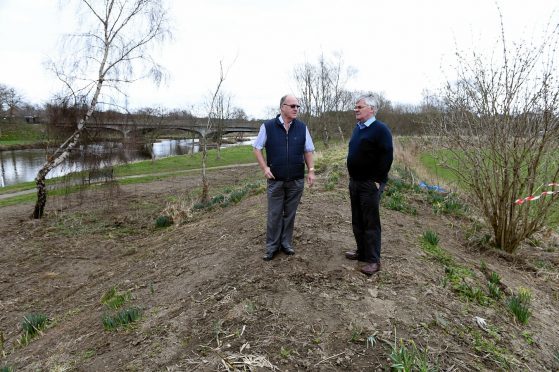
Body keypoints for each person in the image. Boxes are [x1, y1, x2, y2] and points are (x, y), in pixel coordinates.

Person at [253, 95, 316, 261]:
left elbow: (308, 150)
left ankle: (286, 243)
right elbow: (257, 148)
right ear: (282, 107)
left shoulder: (302, 128)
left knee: (290, 213)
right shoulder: (268, 127)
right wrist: (265, 167)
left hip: (296, 179)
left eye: (298, 106)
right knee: (274, 214)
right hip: (276, 179)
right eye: (293, 106)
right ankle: (272, 247)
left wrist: (311, 170)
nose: (296, 109)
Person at [345, 94, 393, 275]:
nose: (355, 109)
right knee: (357, 219)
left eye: (360, 107)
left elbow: (387, 157)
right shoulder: (358, 128)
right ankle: (362, 252)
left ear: (371, 109)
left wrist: (377, 180)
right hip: (355, 182)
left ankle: (374, 260)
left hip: (369, 184)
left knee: (370, 222)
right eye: (355, 107)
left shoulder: (381, 130)